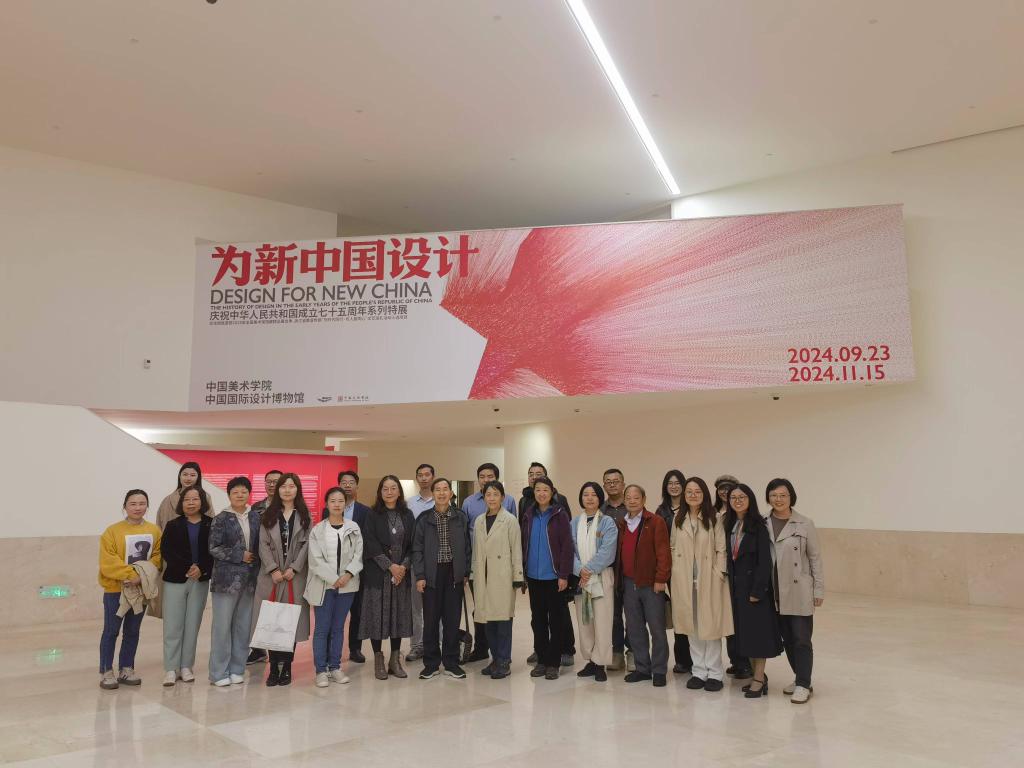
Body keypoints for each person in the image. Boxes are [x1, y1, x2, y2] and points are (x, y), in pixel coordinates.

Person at [671, 477, 733, 692]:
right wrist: (676, 571)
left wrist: (718, 573)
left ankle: (715, 673)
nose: (693, 495)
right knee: (692, 626)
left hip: (709, 580)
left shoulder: (714, 518)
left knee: (711, 627)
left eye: (697, 491)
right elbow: (672, 547)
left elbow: (721, 549)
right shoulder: (678, 518)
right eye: (689, 491)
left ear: (704, 494)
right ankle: (698, 671)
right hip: (684, 580)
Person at [766, 478, 824, 704]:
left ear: (791, 497)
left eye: (783, 495)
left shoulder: (805, 523)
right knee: (787, 639)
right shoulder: (762, 522)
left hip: (799, 589)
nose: (778, 499)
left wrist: (818, 589)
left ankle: (803, 684)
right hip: (774, 590)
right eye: (774, 495)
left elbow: (815, 558)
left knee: (801, 638)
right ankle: (801, 678)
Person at [98, 490, 162, 689]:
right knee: (111, 630)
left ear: (147, 506)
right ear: (125, 506)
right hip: (115, 589)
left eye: (142, 503)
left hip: (140, 589)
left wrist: (141, 577)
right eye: (133, 504)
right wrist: (130, 575)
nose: (137, 507)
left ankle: (127, 668)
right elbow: (108, 561)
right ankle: (106, 671)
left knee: (132, 630)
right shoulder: (112, 531)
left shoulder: (154, 530)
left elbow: (158, 557)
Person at [251, 473, 311, 687]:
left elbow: (307, 545)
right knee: (272, 621)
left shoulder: (305, 515)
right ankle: (273, 667)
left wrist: (294, 568)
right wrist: (273, 569)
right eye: (283, 486)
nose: (287, 490)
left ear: (297, 489)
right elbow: (263, 544)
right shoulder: (268, 514)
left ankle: (286, 667)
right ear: (278, 490)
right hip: (272, 578)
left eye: (291, 486)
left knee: (289, 623)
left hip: (294, 577)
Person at [724, 483, 782, 698]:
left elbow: (764, 561)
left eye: (742, 497)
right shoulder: (728, 524)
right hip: (735, 590)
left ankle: (758, 679)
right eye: (733, 497)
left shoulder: (759, 525)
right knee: (745, 636)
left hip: (754, 591)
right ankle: (758, 676)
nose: (737, 501)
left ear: (750, 500)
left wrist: (758, 590)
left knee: (758, 636)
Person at [305, 486, 363, 687]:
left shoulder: (353, 527)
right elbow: (315, 560)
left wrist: (347, 575)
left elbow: (358, 555)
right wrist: (333, 579)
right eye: (333, 501)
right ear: (326, 504)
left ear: (345, 504)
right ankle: (321, 670)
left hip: (347, 585)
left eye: (340, 501)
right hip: (324, 585)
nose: (337, 504)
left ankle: (335, 667)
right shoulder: (318, 530)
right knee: (322, 629)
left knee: (338, 628)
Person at [413, 478, 471, 680]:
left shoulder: (460, 517)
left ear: (451, 493)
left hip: (454, 574)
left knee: (452, 620)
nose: (441, 493)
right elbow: (417, 549)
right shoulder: (424, 519)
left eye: (445, 489)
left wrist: (465, 572)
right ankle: (430, 664)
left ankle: (451, 663)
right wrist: (420, 575)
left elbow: (467, 547)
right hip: (431, 574)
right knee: (430, 621)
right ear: (433, 494)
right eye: (437, 489)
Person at [360, 475, 415, 680]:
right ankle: (378, 659)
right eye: (385, 488)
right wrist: (390, 566)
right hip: (378, 574)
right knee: (377, 617)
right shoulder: (372, 514)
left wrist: (403, 567)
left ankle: (394, 660)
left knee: (397, 617)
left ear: (399, 491)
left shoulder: (408, 515)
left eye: (393, 488)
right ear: (380, 492)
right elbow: (370, 543)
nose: (389, 492)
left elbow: (413, 544)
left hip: (401, 575)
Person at [615, 484, 671, 687]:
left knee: (657, 629)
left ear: (644, 499)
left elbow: (663, 552)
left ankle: (659, 670)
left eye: (636, 497)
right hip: (628, 583)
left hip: (651, 584)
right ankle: (642, 668)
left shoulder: (654, 521)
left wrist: (661, 579)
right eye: (628, 497)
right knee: (635, 629)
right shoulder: (622, 524)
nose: (632, 501)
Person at [208, 476, 261, 687]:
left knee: (243, 626)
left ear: (249, 494)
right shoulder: (221, 518)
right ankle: (219, 672)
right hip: (225, 581)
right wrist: (240, 555)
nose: (240, 495)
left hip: (250, 580)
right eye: (235, 492)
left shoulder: (256, 517)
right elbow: (214, 548)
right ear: (229, 494)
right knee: (222, 627)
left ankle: (238, 668)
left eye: (244, 491)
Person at [462, 463, 516, 663]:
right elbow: (465, 536)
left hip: (501, 567)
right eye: (482, 476)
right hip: (478, 564)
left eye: (490, 476)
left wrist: (517, 573)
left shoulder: (509, 503)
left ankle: (502, 657)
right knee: (481, 609)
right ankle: (482, 649)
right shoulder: (469, 503)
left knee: (501, 611)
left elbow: (514, 539)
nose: (485, 480)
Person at [470, 480, 523, 679]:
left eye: (495, 494)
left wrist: (518, 576)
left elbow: (516, 549)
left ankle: (504, 660)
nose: (491, 498)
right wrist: (473, 573)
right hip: (483, 576)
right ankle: (495, 658)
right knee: (487, 621)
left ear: (502, 497)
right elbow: (476, 551)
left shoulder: (510, 520)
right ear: (484, 497)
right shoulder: (479, 521)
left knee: (503, 622)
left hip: (502, 577)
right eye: (488, 495)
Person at [521, 477, 573, 680]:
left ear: (552, 492)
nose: (541, 493)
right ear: (534, 492)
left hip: (554, 577)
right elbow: (524, 543)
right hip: (534, 577)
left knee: (556, 621)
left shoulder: (559, 514)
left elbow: (567, 546)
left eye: (545, 490)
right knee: (538, 620)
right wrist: (523, 573)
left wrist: (563, 574)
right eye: (538, 490)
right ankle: (542, 660)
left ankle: (553, 662)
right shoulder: (528, 515)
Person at [161, 486, 213, 686]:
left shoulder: (211, 524)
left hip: (200, 580)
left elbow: (214, 551)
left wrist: (202, 568)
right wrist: (187, 567)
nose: (191, 503)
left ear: (202, 502)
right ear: (181, 503)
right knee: (172, 625)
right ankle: (170, 668)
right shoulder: (173, 525)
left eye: (195, 499)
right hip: (175, 579)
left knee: (192, 625)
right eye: (187, 500)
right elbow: (167, 550)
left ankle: (186, 666)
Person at [571, 482, 618, 683]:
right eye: (585, 494)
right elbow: (569, 550)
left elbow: (608, 552)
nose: (589, 498)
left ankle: (600, 663)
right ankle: (590, 659)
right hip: (581, 580)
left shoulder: (607, 522)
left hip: (601, 577)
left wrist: (587, 570)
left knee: (602, 621)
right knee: (585, 621)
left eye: (593, 495)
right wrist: (579, 570)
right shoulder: (574, 523)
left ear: (600, 498)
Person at [654, 469, 694, 675]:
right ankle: (683, 660)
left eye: (678, 482)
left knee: (693, 611)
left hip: (690, 567)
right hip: (670, 568)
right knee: (678, 614)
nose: (674, 486)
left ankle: (699, 659)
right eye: (670, 483)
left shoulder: (691, 509)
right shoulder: (661, 511)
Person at [246, 469, 283, 664]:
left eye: (276, 481)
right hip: (259, 564)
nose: (271, 485)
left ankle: (279, 652)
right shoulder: (256, 507)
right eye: (268, 481)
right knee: (258, 609)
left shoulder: (288, 506)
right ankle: (259, 649)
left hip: (281, 566)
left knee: (279, 609)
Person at [713, 473, 748, 678]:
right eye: (721, 489)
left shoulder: (741, 513)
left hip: (739, 573)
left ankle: (745, 663)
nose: (725, 492)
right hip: (722, 573)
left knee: (740, 620)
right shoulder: (714, 513)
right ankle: (735, 660)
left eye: (729, 488)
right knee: (727, 620)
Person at [338, 470, 371, 663]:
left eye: (351, 482)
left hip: (358, 569)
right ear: (339, 485)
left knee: (357, 611)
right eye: (344, 482)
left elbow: (367, 540)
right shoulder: (330, 509)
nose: (347, 485)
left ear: (357, 486)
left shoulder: (365, 511)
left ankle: (355, 649)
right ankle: (333, 649)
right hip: (335, 570)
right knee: (336, 613)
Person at [405, 462, 436, 662]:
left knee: (436, 605)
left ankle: (436, 644)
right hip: (415, 561)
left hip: (437, 561)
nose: (424, 478)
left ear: (433, 477)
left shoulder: (440, 500)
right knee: (415, 607)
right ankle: (416, 645)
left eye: (427, 474)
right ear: (417, 478)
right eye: (420, 475)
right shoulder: (409, 504)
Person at [601, 468, 630, 672]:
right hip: (609, 570)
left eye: (616, 481)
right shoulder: (600, 511)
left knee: (634, 613)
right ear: (604, 486)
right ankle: (617, 652)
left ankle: (634, 652)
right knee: (613, 614)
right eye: (608, 482)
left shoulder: (633, 507)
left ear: (623, 484)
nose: (612, 484)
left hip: (630, 569)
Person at [156, 462, 214, 530]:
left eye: (192, 475)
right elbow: (159, 526)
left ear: (198, 477)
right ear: (179, 476)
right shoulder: (167, 500)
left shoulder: (206, 498)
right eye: (185, 474)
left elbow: (212, 523)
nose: (188, 478)